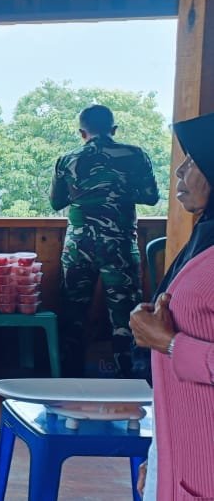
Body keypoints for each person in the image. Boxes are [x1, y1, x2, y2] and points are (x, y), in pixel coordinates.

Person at [131, 112, 214, 500]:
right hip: (184, 457)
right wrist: (163, 452)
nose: (181, 171)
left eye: (195, 160)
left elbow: (176, 345)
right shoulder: (205, 236)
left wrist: (169, 343)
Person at [51, 104, 159, 378]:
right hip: (119, 245)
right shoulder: (135, 155)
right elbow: (150, 196)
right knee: (126, 315)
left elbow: (56, 202)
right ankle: (129, 379)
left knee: (73, 312)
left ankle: (68, 378)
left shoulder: (67, 159)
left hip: (78, 246)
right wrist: (119, 190)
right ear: (114, 129)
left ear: (82, 133)